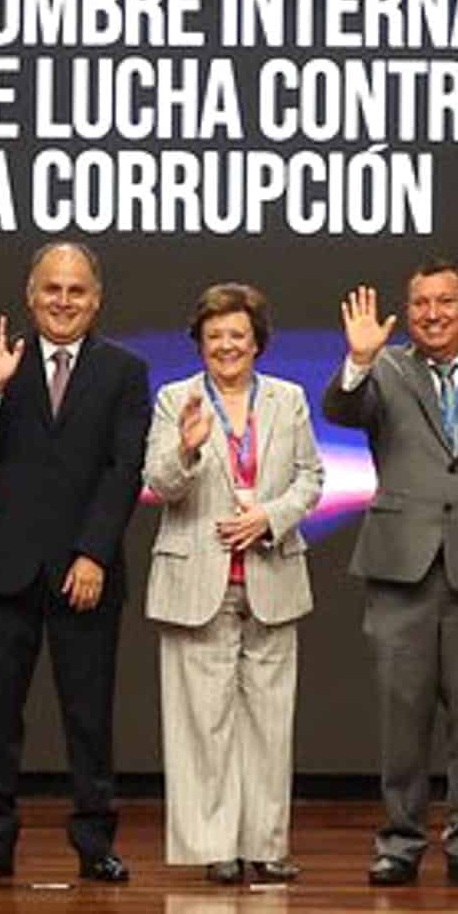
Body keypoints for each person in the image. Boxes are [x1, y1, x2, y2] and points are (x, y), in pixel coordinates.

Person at [322, 263, 458, 888]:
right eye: (420, 303)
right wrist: (360, 360)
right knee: (402, 715)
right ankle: (399, 841)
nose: (432, 314)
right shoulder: (385, 370)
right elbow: (340, 409)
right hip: (401, 566)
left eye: (445, 301)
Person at [0, 241, 149, 883]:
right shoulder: (2, 361)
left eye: (77, 291)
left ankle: (95, 842)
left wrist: (93, 551)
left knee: (88, 716)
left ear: (97, 300)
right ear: (31, 297)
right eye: (52, 290)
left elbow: (124, 470)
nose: (64, 302)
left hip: (84, 571)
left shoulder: (124, 371)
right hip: (5, 567)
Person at [143, 283, 322, 885]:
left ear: (258, 343)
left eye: (237, 336)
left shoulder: (288, 399)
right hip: (197, 577)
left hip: (272, 572)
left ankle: (266, 846)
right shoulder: (177, 399)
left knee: (271, 720)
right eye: (215, 336)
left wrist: (268, 517)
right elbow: (159, 483)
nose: (226, 346)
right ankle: (214, 845)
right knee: (202, 721)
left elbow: (310, 478)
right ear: (199, 342)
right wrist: (187, 452)